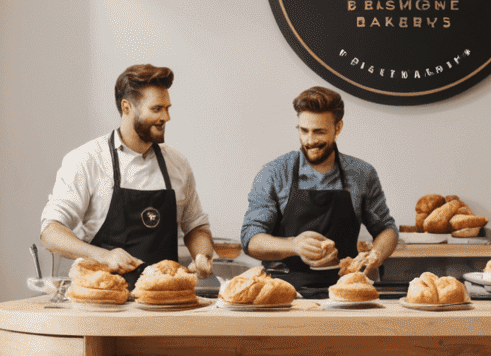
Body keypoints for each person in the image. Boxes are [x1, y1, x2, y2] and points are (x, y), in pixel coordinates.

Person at [39, 63, 215, 283]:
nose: (166, 117)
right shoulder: (87, 160)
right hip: (104, 300)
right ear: (126, 107)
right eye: (156, 109)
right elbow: (51, 232)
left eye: (168, 108)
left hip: (164, 300)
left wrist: (202, 255)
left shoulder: (177, 164)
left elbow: (195, 225)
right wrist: (103, 256)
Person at [243, 85, 399, 275]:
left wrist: (375, 256)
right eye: (303, 130)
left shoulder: (362, 174)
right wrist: (294, 245)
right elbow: (251, 238)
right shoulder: (274, 173)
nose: (309, 141)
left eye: (319, 132)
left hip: (345, 287)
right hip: (284, 290)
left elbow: (387, 230)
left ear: (338, 128)